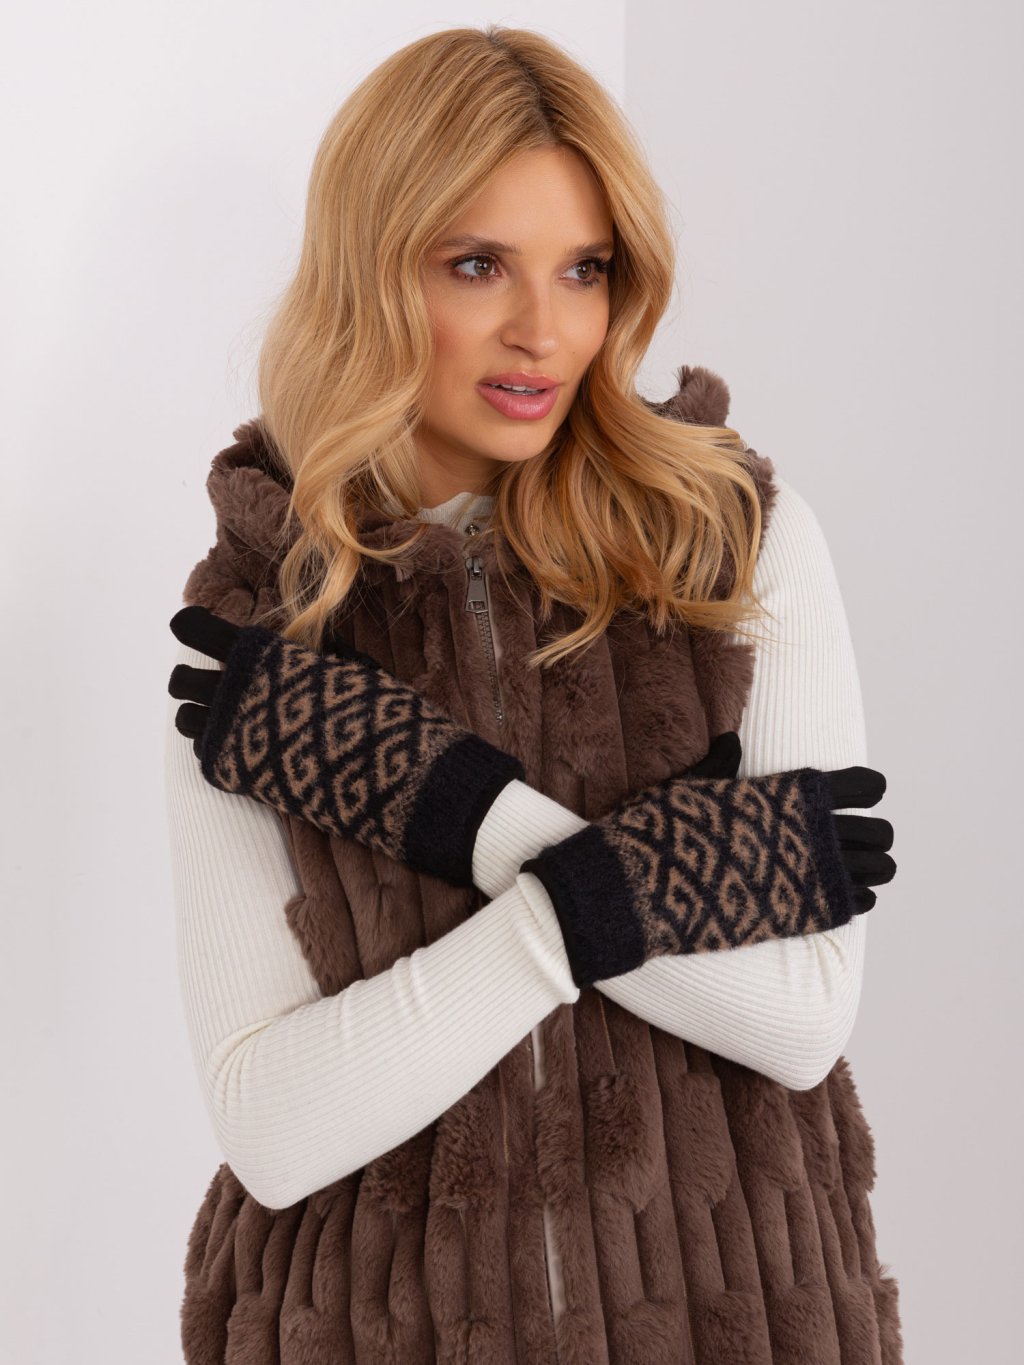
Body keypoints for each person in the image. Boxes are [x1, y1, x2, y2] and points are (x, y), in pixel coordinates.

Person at [163, 24, 902, 1364]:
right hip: (371, 1328)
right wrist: (643, 882)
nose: (543, 330)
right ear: (371, 269)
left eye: (584, 267)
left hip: (734, 1315)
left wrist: (459, 811)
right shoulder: (262, 631)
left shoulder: (733, 544)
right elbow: (271, 1124)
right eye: (476, 264)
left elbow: (803, 1016)